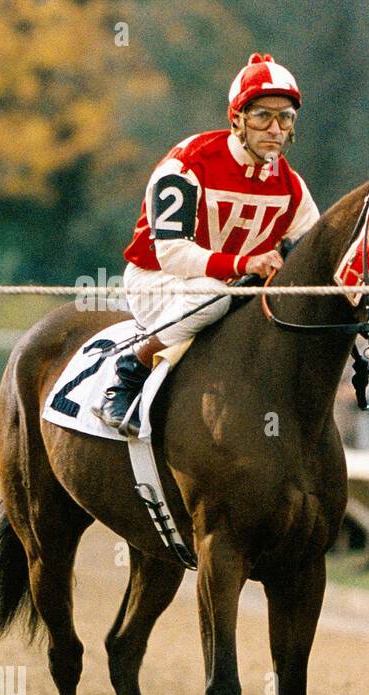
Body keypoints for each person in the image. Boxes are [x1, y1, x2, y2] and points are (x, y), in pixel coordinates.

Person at [94, 53, 319, 433]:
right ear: (237, 119)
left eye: (286, 117)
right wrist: (245, 265)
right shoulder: (187, 164)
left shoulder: (292, 186)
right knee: (212, 295)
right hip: (158, 281)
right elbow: (173, 254)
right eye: (263, 115)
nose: (276, 129)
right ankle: (129, 373)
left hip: (231, 292)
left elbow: (314, 252)